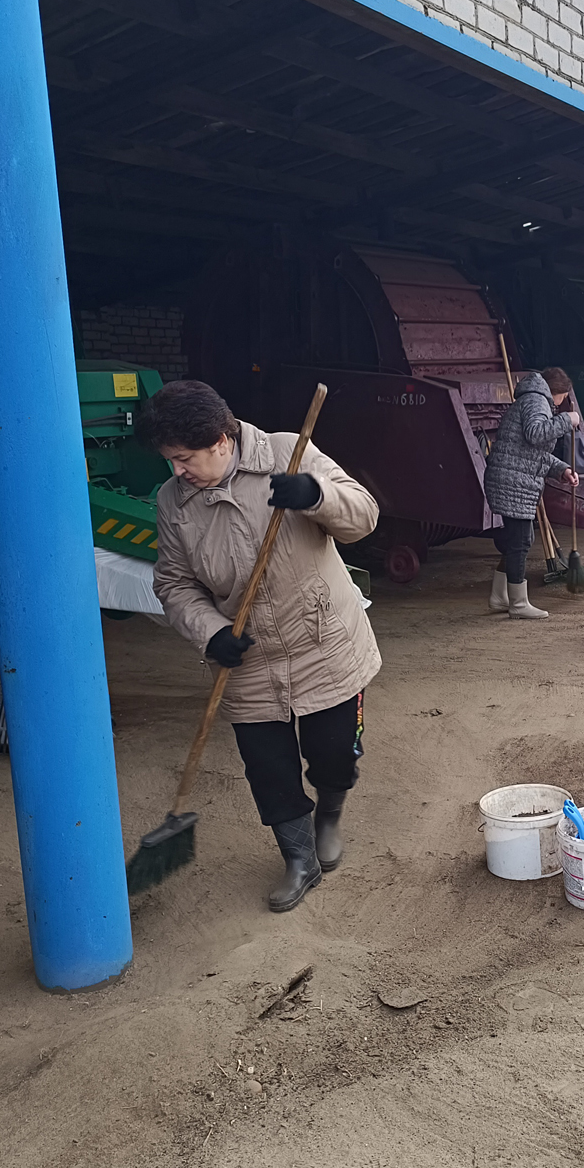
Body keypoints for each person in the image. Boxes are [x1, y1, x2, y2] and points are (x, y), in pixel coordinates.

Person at [139, 380, 381, 913]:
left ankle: (329, 815)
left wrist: (316, 496)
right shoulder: (173, 502)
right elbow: (174, 584)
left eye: (184, 458)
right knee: (268, 770)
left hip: (322, 643)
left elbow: (364, 516)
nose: (177, 471)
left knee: (334, 754)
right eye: (169, 460)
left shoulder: (287, 453)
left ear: (221, 440)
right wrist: (210, 631)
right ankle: (299, 858)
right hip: (247, 660)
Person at [484, 365, 580, 620]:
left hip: (512, 478)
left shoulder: (532, 399)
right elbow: (536, 434)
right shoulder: (537, 401)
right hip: (513, 482)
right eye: (562, 399)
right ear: (558, 392)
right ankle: (518, 603)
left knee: (517, 540)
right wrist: (566, 420)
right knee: (521, 541)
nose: (560, 405)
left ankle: (500, 596)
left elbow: (532, 452)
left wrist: (561, 469)